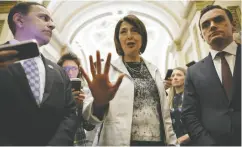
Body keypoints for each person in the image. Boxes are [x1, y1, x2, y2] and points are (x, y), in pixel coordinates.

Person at [81, 14, 177, 146]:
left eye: (135, 31)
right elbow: (89, 119)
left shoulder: (154, 71)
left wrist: (172, 143)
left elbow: (165, 115)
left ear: (142, 38)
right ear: (118, 40)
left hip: (157, 143)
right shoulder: (107, 71)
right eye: (123, 32)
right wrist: (99, 103)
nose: (129, 36)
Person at [0, 2, 77, 145]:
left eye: (51, 20)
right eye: (44, 18)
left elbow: (70, 114)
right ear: (19, 20)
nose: (52, 25)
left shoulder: (59, 72)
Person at [181, 5, 241, 146]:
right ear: (202, 35)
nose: (212, 26)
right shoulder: (194, 72)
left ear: (233, 25)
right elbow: (189, 114)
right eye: (206, 25)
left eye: (218, 20)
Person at [57, 52, 95, 146]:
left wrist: (80, 106)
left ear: (79, 71)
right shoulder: (53, 90)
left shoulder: (85, 93)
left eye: (74, 69)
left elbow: (89, 126)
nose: (70, 72)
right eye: (66, 69)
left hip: (78, 142)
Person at [167, 67, 191, 145]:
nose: (175, 78)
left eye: (179, 75)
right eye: (173, 76)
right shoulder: (169, 100)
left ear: (186, 78)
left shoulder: (191, 97)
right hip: (174, 141)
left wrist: (187, 136)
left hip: (191, 139)